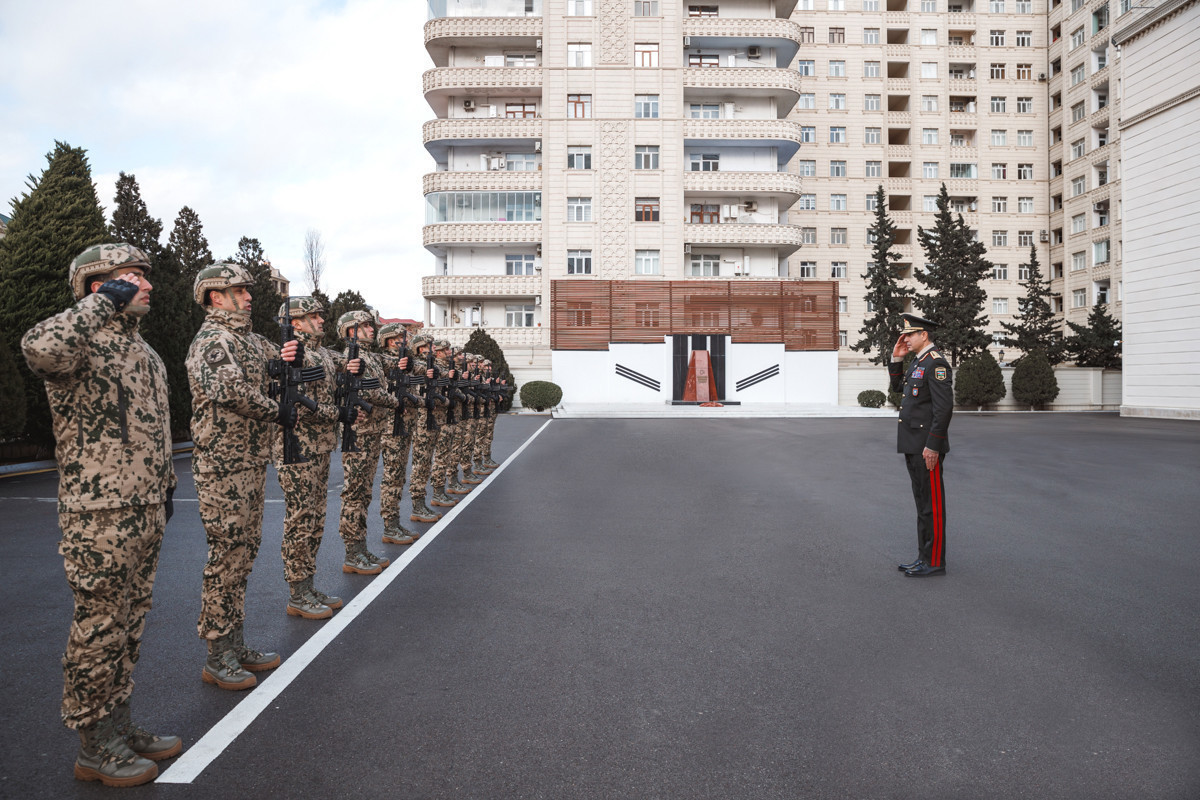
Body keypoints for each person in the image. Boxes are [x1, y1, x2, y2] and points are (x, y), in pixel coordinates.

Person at [22, 244, 180, 786]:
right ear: (99, 286)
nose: (149, 285)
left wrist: (167, 488)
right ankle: (93, 744)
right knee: (99, 627)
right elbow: (39, 349)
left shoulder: (146, 354)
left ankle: (119, 724)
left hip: (143, 507)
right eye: (133, 277)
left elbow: (156, 433)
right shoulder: (79, 343)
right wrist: (99, 305)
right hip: (99, 513)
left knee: (129, 624)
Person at [187, 262, 298, 690]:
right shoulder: (214, 340)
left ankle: (234, 643)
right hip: (222, 465)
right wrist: (278, 411)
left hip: (250, 462)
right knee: (226, 557)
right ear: (216, 296)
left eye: (249, 290)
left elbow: (281, 358)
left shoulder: (249, 341)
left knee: (244, 554)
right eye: (239, 290)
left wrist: (291, 355)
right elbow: (230, 391)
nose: (249, 296)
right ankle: (217, 655)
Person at [275, 297, 358, 619]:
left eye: (321, 316)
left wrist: (354, 366)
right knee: (299, 520)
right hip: (298, 448)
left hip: (321, 446)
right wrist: (337, 413)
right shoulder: (293, 354)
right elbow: (297, 403)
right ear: (295, 322)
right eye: (313, 316)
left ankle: (308, 585)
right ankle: (297, 592)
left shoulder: (321, 353)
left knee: (314, 520)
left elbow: (346, 365)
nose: (322, 320)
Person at [888, 312, 953, 577]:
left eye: (910, 334)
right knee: (922, 504)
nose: (906, 338)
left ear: (923, 335)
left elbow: (944, 408)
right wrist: (897, 359)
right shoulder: (918, 363)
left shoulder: (936, 364)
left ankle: (935, 561)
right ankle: (923, 557)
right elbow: (897, 389)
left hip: (926, 447)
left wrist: (933, 446)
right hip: (914, 445)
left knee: (932, 506)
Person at [335, 309, 396, 574]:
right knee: (354, 493)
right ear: (351, 330)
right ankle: (352, 552)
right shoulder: (351, 357)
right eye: (367, 326)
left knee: (364, 492)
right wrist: (397, 402)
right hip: (360, 432)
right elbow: (371, 391)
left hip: (373, 431)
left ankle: (360, 547)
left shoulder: (369, 357)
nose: (373, 330)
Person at [376, 322, 420, 546]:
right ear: (390, 341)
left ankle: (394, 522)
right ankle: (389, 525)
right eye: (403, 338)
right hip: (392, 426)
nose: (407, 341)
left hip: (405, 424)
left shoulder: (406, 363)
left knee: (398, 476)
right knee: (392, 477)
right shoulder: (384, 361)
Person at [406, 333, 444, 523]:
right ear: (421, 348)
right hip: (422, 420)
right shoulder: (414, 366)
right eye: (431, 346)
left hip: (432, 418)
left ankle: (423, 502)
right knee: (420, 463)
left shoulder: (431, 366)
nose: (435, 348)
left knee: (427, 461)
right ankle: (417, 505)